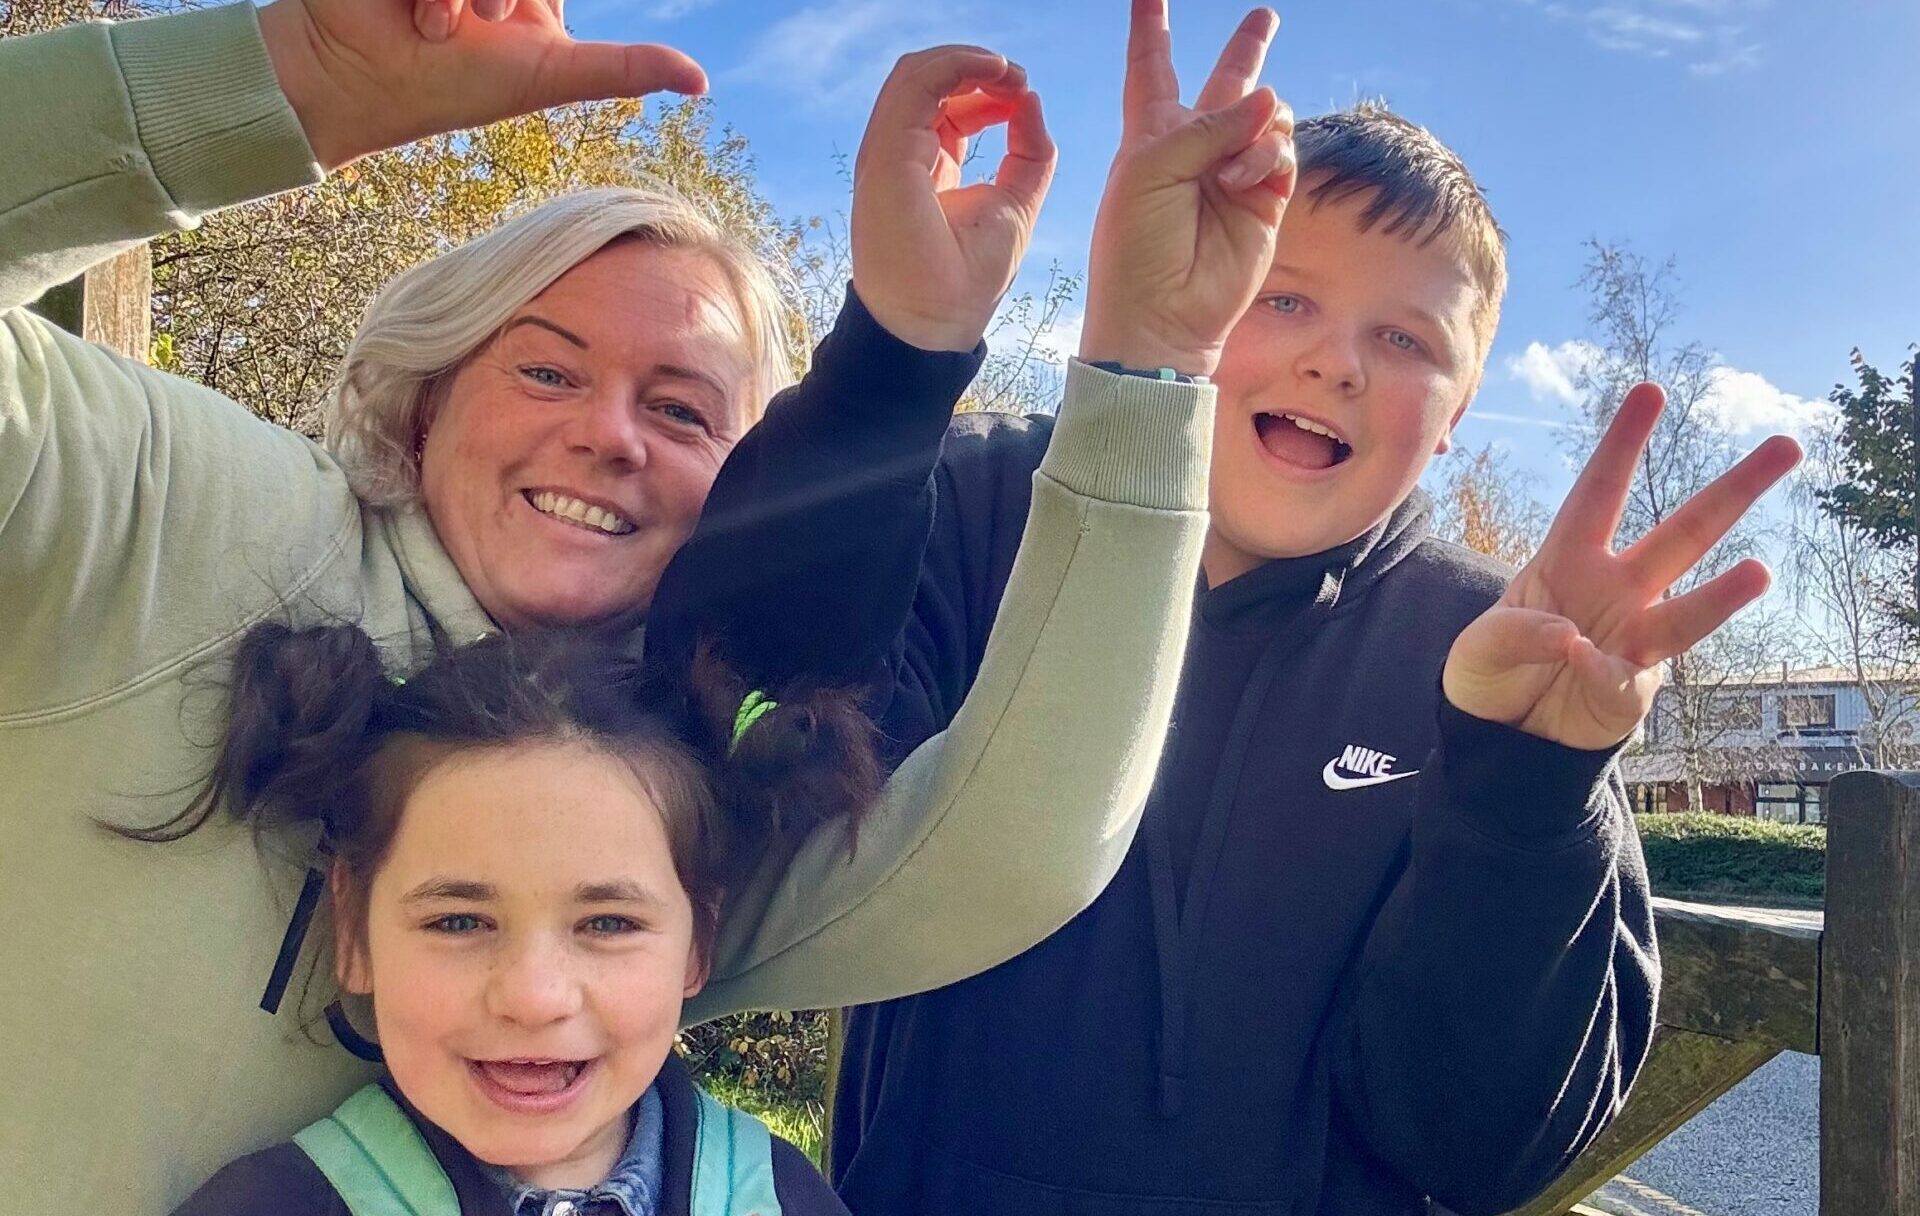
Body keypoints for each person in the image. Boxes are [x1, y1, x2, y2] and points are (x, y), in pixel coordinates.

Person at [0, 2, 1286, 1208]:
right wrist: (283, 81)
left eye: (682, 411)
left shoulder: (665, 791)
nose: (608, 435)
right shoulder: (171, 508)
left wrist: (1151, 372)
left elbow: (1014, 842)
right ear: (428, 392)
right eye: (547, 368)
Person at [820, 4, 1805, 1214]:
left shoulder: (1505, 664)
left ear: (1452, 423)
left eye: (1404, 337)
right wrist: (895, 352)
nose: (1337, 361)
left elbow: (1481, 1145)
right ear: (1197, 279)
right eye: (1283, 299)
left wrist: (1525, 791)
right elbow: (780, 776)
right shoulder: (978, 505)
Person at [165, 626, 870, 1215]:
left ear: (697, 944)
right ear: (352, 931)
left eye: (607, 924)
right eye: (460, 923)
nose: (534, 998)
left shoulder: (777, 1197)